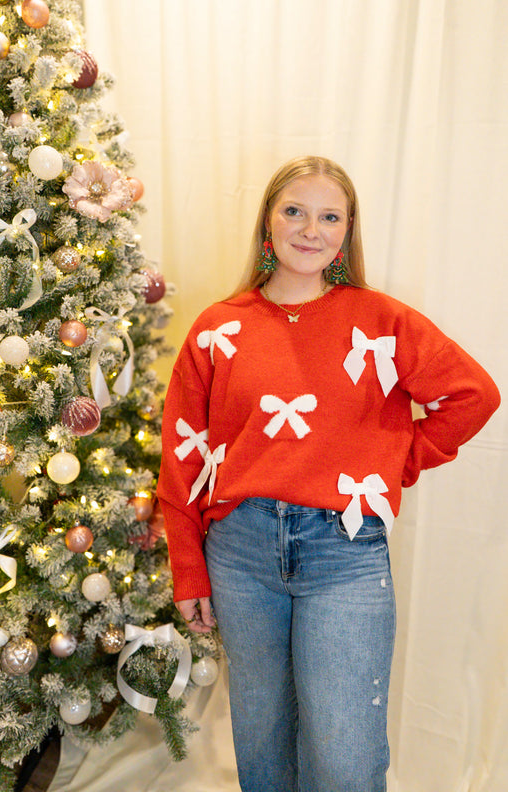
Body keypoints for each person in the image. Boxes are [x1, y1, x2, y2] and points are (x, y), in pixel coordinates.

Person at [157, 155, 500, 792]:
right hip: (240, 551)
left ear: (347, 233)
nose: (310, 229)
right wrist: (188, 566)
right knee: (262, 742)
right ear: (267, 221)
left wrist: (397, 462)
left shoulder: (381, 323)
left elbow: (473, 395)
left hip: (344, 553)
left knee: (344, 753)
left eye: (329, 216)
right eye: (294, 210)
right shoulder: (218, 329)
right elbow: (183, 451)